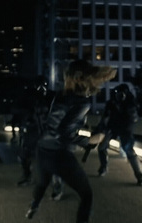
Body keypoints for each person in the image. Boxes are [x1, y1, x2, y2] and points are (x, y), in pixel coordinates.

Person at [25, 60, 115, 223]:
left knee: (42, 183)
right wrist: (89, 141)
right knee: (86, 194)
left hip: (43, 147)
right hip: (59, 154)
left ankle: (34, 205)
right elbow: (63, 132)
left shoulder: (60, 95)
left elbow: (53, 123)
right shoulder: (82, 102)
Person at [95, 83, 142, 186]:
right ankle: (103, 167)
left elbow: (133, 118)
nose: (119, 95)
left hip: (125, 129)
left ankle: (140, 176)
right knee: (101, 147)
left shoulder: (131, 103)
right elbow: (105, 117)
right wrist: (101, 127)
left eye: (121, 93)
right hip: (112, 127)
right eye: (117, 93)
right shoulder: (111, 103)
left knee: (129, 150)